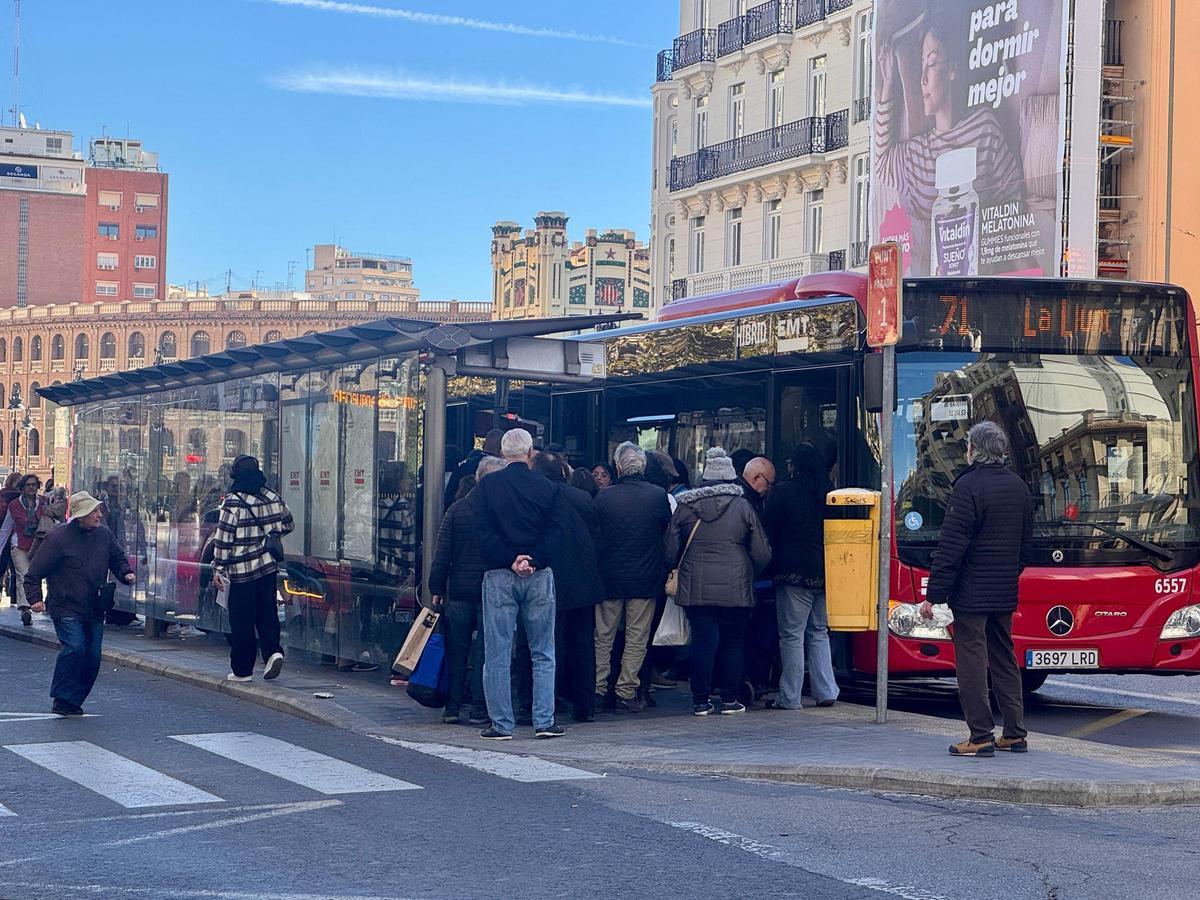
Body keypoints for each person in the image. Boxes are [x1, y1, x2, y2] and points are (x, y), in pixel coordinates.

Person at [922, 422, 1033, 757]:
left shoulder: (967, 486)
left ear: (973, 450)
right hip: (1003, 590)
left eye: (968, 445)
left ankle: (981, 734)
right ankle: (1015, 732)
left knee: (971, 659)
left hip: (971, 591)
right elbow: (1026, 543)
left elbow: (951, 546)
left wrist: (934, 596)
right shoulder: (1018, 486)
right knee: (1004, 656)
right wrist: (1009, 573)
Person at [473, 428, 564, 740]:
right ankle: (544, 721)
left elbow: (481, 532)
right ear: (530, 454)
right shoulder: (548, 487)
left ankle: (501, 724)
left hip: (499, 574)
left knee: (497, 652)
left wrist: (510, 559)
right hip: (538, 575)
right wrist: (532, 560)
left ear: (502, 453)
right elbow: (556, 532)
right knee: (543, 651)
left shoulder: (488, 486)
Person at [667, 447, 771, 716]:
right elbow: (762, 552)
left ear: (705, 477)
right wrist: (749, 572)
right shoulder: (743, 506)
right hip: (735, 586)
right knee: (733, 642)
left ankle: (700, 701)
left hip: (695, 586)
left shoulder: (686, 506)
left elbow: (669, 548)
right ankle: (729, 699)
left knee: (703, 641)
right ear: (731, 477)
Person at [24, 491, 134, 715]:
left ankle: (73, 700)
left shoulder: (104, 534)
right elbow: (33, 573)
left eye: (98, 510)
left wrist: (125, 573)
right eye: (94, 511)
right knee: (75, 647)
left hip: (95, 606)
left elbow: (117, 558)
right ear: (81, 515)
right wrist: (35, 599)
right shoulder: (58, 538)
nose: (99, 515)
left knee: (92, 657)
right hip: (66, 605)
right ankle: (61, 697)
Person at [592, 442, 672, 712]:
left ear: (617, 467)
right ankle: (626, 690)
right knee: (637, 636)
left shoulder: (604, 497)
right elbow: (665, 530)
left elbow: (596, 535)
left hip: (609, 577)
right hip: (645, 576)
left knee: (603, 635)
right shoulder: (657, 495)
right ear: (644, 467)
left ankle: (598, 687)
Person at [428, 458, 507, 726]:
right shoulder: (502, 512)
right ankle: (479, 708)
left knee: (457, 651)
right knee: (485, 652)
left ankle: (452, 707)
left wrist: (437, 587)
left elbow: (442, 553)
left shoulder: (457, 509)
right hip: (490, 591)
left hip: (459, 591)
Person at [763, 443, 839, 710]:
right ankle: (826, 690)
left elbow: (768, 530)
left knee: (792, 635)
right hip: (824, 571)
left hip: (792, 573)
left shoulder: (783, 492)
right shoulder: (827, 493)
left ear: (795, 465)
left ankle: (790, 696)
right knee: (819, 632)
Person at [532, 450, 605, 722]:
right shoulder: (583, 498)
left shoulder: (540, 498)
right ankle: (585, 706)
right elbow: (597, 538)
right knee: (584, 644)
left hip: (552, 580)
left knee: (551, 645)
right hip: (584, 581)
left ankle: (549, 702)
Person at [211, 455, 295, 683]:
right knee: (267, 613)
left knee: (242, 621)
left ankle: (242, 670)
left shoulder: (233, 502)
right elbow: (288, 523)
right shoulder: (272, 497)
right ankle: (273, 652)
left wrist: (218, 568)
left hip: (241, 571)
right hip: (268, 567)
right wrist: (270, 535)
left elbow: (223, 539)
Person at [0, 474, 47, 626]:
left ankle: (36, 601)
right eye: (28, 485)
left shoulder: (44, 502)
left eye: (34, 484)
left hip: (39, 545)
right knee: (23, 575)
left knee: (35, 575)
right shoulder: (14, 505)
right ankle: (25, 608)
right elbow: (6, 528)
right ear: (22, 488)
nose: (32, 487)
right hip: (19, 544)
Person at [445, 428, 505, 507]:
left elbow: (450, 491)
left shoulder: (465, 464)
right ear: (502, 449)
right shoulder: (501, 469)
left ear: (483, 445)